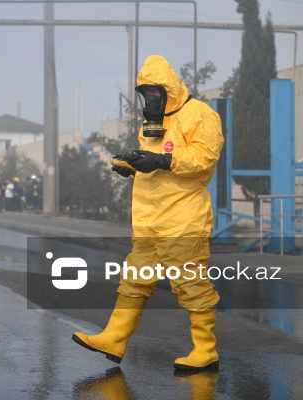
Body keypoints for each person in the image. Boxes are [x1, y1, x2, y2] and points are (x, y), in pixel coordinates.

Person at [72, 55, 224, 372]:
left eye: (155, 92)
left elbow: (204, 158)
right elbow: (151, 160)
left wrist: (161, 161)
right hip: (149, 219)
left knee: (190, 283)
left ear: (168, 88)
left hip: (183, 216)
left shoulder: (201, 115)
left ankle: (205, 350)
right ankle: (114, 338)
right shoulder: (153, 123)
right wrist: (130, 164)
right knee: (134, 280)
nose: (150, 99)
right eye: (146, 94)